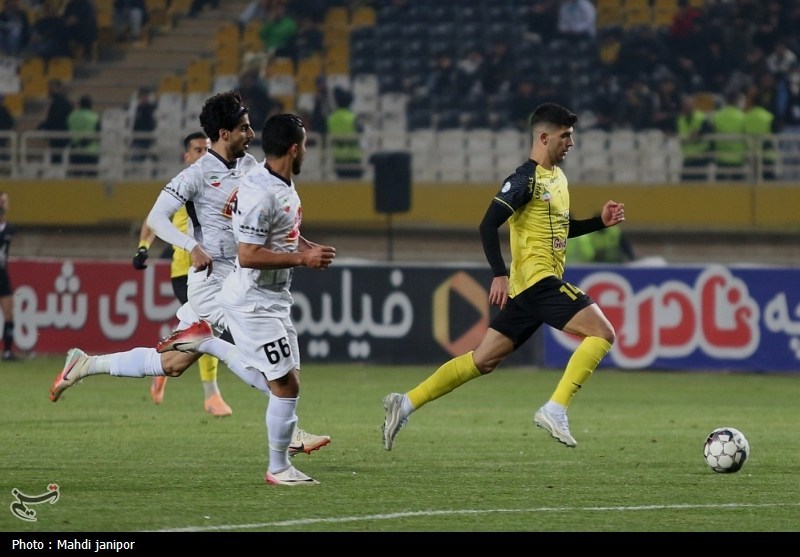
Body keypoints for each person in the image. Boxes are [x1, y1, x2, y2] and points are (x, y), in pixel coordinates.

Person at [49, 91, 330, 458]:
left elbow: (274, 221)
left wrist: (304, 246)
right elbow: (156, 218)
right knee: (266, 362)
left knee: (171, 364)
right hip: (213, 281)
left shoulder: (251, 167)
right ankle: (287, 430)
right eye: (244, 128)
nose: (251, 134)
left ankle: (85, 364)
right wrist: (190, 245)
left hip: (238, 274)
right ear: (224, 134)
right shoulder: (196, 175)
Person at [382, 103, 625, 451]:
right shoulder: (524, 179)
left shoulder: (558, 178)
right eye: (565, 136)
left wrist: (599, 222)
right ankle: (555, 408)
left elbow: (561, 228)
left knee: (482, 360)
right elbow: (487, 224)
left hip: (528, 291)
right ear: (544, 137)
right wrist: (499, 273)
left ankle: (404, 403)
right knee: (603, 332)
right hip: (538, 282)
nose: (571, 143)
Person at [218, 113, 336, 485]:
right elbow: (248, 254)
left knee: (284, 381)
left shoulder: (281, 184)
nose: (306, 152)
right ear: (295, 148)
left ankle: (207, 343)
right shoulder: (261, 192)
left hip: (275, 298)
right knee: (285, 385)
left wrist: (307, 247)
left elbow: (285, 232)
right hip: (252, 301)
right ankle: (279, 468)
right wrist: (303, 259)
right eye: (306, 145)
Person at [132, 131, 232, 416]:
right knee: (205, 326)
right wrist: (143, 248)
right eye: (198, 150)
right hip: (185, 271)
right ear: (187, 156)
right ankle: (211, 394)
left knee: (200, 327)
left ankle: (161, 363)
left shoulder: (219, 184)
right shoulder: (184, 184)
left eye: (207, 149)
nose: (203, 154)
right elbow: (153, 218)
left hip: (214, 270)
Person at [326, 86, 363, 179]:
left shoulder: (331, 118)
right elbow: (361, 131)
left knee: (342, 184)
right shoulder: (353, 117)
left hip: (339, 158)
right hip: (353, 157)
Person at [677, 93, 713, 181]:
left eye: (688, 105)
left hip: (700, 156)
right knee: (685, 183)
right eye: (684, 105)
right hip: (688, 157)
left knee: (700, 183)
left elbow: (710, 128)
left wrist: (699, 133)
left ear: (693, 105)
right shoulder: (680, 119)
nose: (686, 107)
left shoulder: (701, 117)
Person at [37, 78, 73, 164]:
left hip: (59, 134)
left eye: (52, 88)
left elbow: (54, 118)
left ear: (59, 88)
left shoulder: (59, 102)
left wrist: (43, 126)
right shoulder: (61, 101)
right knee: (57, 156)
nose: (50, 90)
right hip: (60, 133)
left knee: (57, 157)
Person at [66, 94, 100, 176]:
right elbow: (98, 133)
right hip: (91, 151)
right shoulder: (95, 117)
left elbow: (68, 129)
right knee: (91, 178)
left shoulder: (72, 116)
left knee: (76, 177)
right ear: (91, 105)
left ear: (80, 104)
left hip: (75, 150)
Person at [0, 192, 16, 361]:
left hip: (2, 273)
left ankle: (7, 351)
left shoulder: (10, 228)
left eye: (6, 201)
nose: (5, 204)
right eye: (3, 201)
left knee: (9, 313)